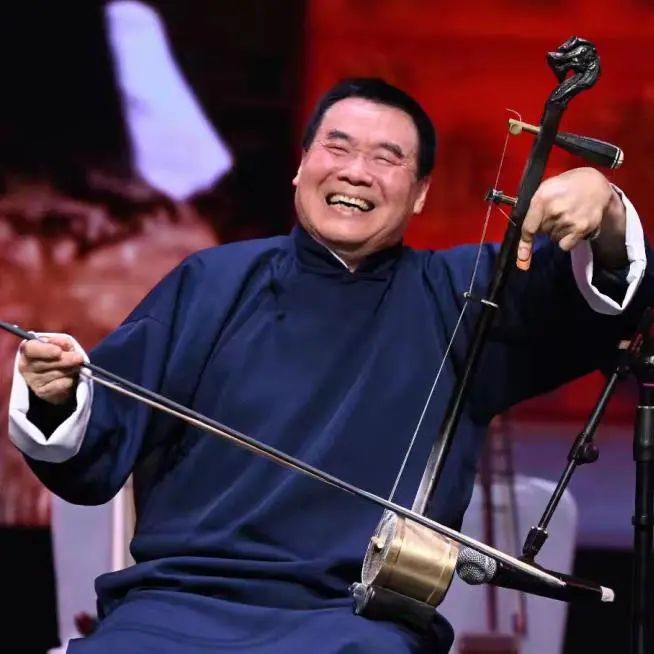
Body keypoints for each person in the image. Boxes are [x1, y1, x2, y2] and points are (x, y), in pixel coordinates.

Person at [6, 77, 652, 653]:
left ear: (421, 194)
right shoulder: (210, 282)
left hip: (354, 622)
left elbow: (598, 302)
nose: (356, 172)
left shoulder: (463, 297)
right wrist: (54, 395)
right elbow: (97, 440)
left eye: (386, 158)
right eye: (337, 148)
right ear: (301, 167)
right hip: (175, 607)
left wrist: (604, 207)